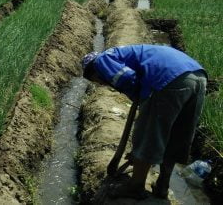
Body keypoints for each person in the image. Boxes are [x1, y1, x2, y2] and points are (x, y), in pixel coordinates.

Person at [82, 44, 207, 200]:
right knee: (177, 136)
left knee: (149, 135)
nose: (101, 84)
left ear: (92, 72)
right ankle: (162, 186)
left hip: (167, 79)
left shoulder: (101, 61)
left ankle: (135, 186)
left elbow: (127, 79)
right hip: (198, 77)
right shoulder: (122, 54)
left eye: (96, 81)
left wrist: (142, 99)